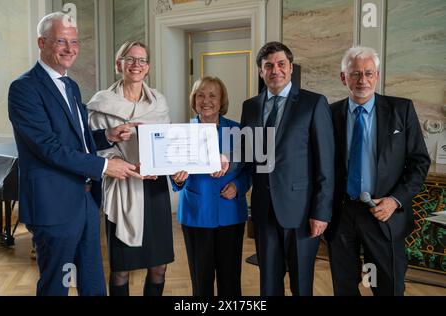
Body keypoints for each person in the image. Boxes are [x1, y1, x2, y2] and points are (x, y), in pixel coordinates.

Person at [8, 12, 142, 296]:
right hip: (53, 204)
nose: (70, 49)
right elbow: (48, 148)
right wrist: (105, 166)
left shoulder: (70, 85)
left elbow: (75, 139)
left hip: (85, 201)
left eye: (74, 41)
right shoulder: (24, 88)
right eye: (61, 41)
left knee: (92, 282)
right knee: (57, 284)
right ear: (42, 42)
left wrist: (106, 135)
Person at [325, 46, 430, 296]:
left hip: (383, 214)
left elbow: (419, 162)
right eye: (355, 74)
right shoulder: (329, 114)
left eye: (369, 73)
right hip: (341, 214)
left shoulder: (401, 110)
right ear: (343, 78)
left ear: (378, 75)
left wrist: (395, 201)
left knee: (388, 287)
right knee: (345, 286)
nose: (363, 80)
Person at [87, 41, 188, 296]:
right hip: (121, 186)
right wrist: (124, 162)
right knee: (121, 269)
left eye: (142, 60)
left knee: (159, 267)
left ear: (148, 67)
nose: (136, 65)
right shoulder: (101, 103)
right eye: (130, 59)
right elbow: (91, 147)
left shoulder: (159, 103)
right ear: (118, 64)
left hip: (154, 189)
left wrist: (169, 166)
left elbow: (167, 145)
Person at [240, 41, 335, 296]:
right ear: (261, 71)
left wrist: (322, 212)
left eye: (281, 64)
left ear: (291, 68)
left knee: (301, 285)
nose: (275, 70)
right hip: (263, 211)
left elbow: (326, 163)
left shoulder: (313, 103)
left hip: (302, 214)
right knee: (268, 286)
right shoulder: (250, 106)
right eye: (268, 65)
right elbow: (248, 157)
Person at [172, 76, 251, 296]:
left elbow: (249, 169)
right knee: (201, 280)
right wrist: (178, 178)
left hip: (231, 213)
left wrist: (238, 185)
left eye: (212, 95)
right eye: (200, 95)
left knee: (230, 280)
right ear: (194, 99)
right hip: (196, 214)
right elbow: (175, 175)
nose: (206, 100)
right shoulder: (181, 132)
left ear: (222, 100)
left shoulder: (238, 131)